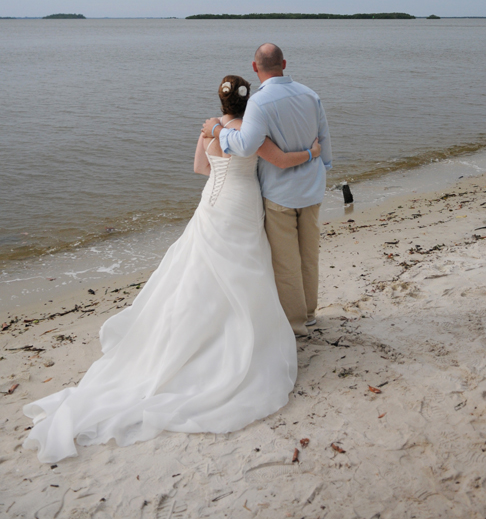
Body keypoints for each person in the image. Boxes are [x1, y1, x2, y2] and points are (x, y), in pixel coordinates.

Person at [23, 74, 320, 464]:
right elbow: (279, 161)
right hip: (243, 203)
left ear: (221, 100)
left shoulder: (208, 128)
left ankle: (196, 332)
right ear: (249, 103)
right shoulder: (251, 131)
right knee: (246, 267)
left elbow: (200, 168)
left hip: (212, 204)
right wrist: (312, 152)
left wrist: (215, 147)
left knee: (198, 269)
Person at [202, 44, 332, 337]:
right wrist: (323, 165)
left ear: (254, 67)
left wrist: (218, 131)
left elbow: (246, 144)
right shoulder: (311, 95)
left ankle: (296, 325)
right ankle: (310, 313)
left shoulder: (259, 102)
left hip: (280, 194)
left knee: (286, 263)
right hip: (312, 189)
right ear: (284, 63)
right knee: (309, 255)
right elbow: (324, 137)